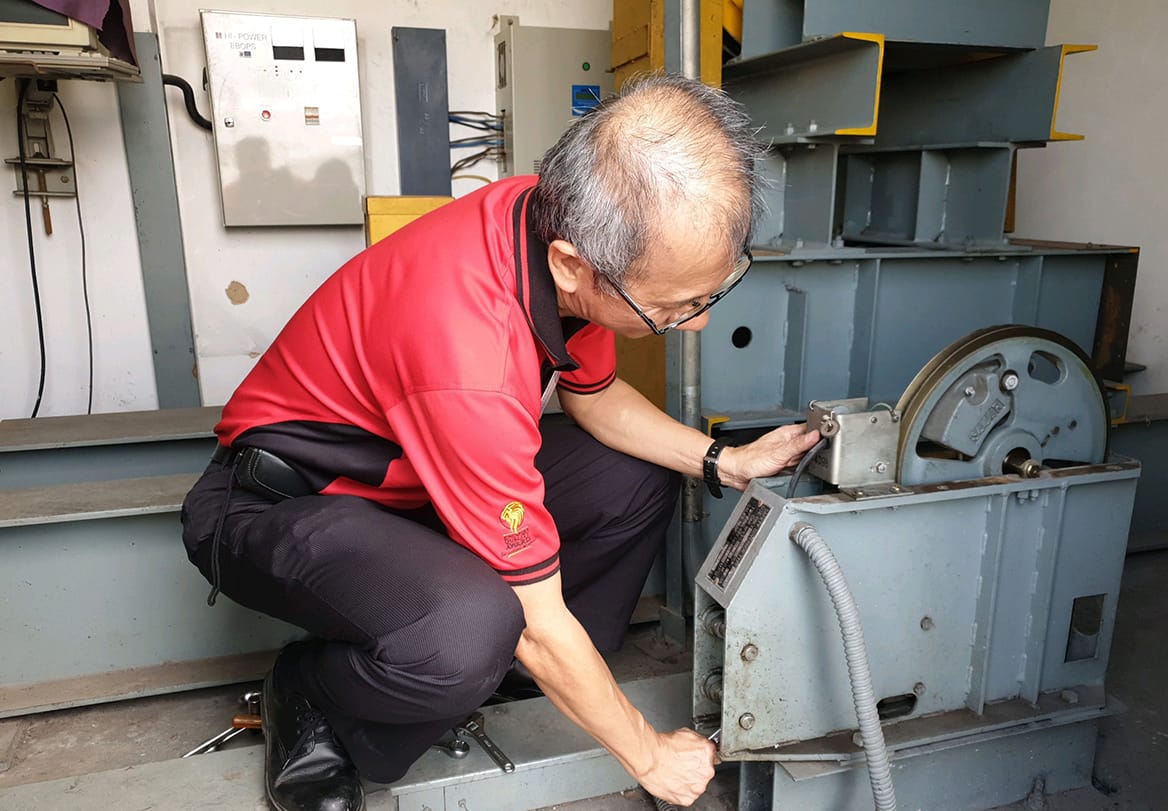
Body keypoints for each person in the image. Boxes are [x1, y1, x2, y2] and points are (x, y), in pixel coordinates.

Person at [181, 73, 819, 811]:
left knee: (638, 475)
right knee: (474, 628)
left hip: (409, 482)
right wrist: (650, 753)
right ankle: (315, 691)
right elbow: (537, 618)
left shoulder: (546, 217)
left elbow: (597, 395)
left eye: (706, 297)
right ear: (573, 266)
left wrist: (724, 461)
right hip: (279, 504)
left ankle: (510, 673)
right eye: (676, 306)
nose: (697, 323)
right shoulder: (467, 345)